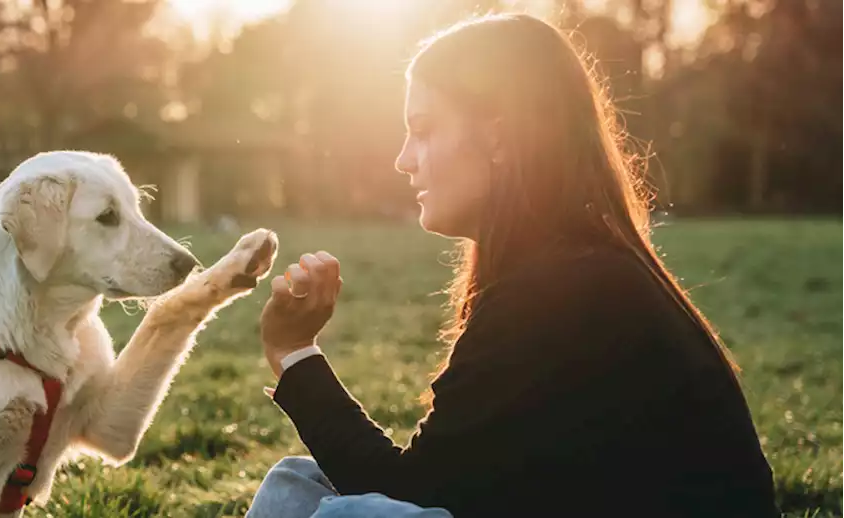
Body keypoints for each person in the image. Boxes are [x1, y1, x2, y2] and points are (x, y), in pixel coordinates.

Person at [246, 13, 779, 518]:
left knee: (354, 513)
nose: (404, 159)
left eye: (425, 129)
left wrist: (295, 353)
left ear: (498, 136)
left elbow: (407, 491)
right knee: (296, 485)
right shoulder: (565, 268)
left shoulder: (565, 290)